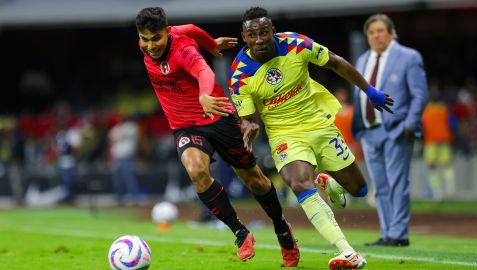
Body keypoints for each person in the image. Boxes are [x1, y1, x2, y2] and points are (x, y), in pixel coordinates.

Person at [229, 7, 393, 269]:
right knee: (299, 184)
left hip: (318, 124)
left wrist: (368, 90)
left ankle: (325, 180)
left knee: (359, 190)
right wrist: (249, 126)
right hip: (285, 134)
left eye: (263, 32)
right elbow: (248, 118)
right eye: (252, 35)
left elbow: (336, 61)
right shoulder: (240, 75)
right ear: (244, 37)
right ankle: (348, 252)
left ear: (272, 31)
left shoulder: (296, 44)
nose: (259, 39)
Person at [135, 7, 299, 267]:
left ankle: (282, 230)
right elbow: (191, 27)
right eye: (145, 39)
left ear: (166, 33)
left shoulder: (182, 50)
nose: (151, 45)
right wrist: (211, 44)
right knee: (196, 171)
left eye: (156, 39)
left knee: (253, 179)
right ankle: (240, 232)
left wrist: (203, 94)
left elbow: (204, 72)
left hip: (217, 117)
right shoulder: (158, 38)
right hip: (184, 127)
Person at [351, 14, 428, 247]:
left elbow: (420, 94)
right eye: (371, 32)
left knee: (397, 183)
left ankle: (399, 233)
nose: (376, 35)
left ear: (392, 32)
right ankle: (387, 232)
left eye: (380, 31)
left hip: (396, 129)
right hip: (369, 130)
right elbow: (358, 94)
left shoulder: (408, 56)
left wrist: (409, 125)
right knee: (380, 186)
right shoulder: (363, 59)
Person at [422, 81, 455, 200]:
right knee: (447, 166)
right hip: (444, 140)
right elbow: (452, 125)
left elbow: (422, 126)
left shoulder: (426, 111)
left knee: (432, 167)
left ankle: (437, 193)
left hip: (431, 141)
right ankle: (450, 189)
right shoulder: (444, 109)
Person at [108, 115, 141, 205]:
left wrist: (117, 136)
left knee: (129, 178)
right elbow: (111, 142)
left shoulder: (130, 126)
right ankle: (119, 199)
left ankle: (134, 198)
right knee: (118, 179)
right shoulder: (114, 129)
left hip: (127, 157)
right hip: (117, 158)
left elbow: (121, 136)